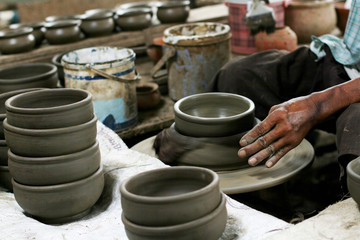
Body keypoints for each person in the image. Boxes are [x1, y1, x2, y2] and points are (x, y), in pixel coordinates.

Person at [209, 0, 360, 189]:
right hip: (349, 62)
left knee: (355, 134)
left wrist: (317, 105)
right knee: (237, 76)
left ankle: (345, 204)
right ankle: (269, 190)